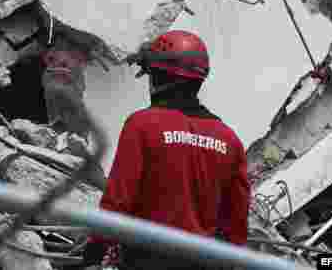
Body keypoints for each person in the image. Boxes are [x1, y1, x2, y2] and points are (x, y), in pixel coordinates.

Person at [83, 30, 250, 269]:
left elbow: (118, 200)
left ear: (158, 78)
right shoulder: (229, 140)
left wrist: (95, 249)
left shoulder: (142, 125)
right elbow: (237, 221)